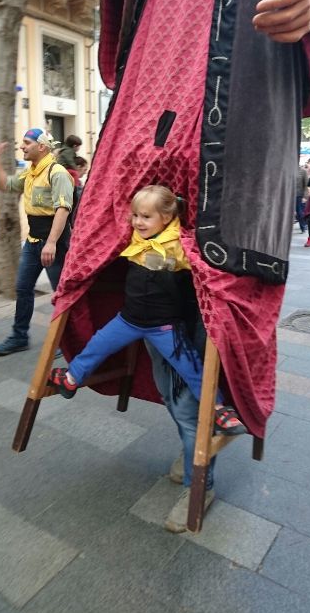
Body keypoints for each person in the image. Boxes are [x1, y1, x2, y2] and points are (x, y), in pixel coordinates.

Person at [50, 0, 310, 529]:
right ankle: (192, 429)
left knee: (212, 299)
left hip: (247, 32)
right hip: (158, 38)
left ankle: (204, 440)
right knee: (158, 312)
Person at [49, 185, 245, 438]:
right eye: (135, 215)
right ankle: (71, 379)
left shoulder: (179, 244)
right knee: (97, 345)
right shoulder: (132, 237)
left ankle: (218, 409)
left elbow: (205, 269)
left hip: (165, 327)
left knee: (192, 367)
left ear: (166, 217)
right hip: (128, 320)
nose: (138, 222)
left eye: (146, 216)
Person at [0, 128, 74, 356]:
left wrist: (52, 243)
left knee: (61, 294)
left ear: (42, 146)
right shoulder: (30, 172)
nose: (22, 147)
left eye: (26, 142)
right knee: (23, 288)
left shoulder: (57, 173)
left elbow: (63, 209)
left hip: (55, 244)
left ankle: (66, 340)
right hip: (33, 242)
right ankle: (19, 337)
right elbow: (5, 185)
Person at [295, 164, 308, 233]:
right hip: (289, 196)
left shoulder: (303, 171)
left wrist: (305, 196)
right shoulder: (288, 170)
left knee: (300, 213)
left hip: (299, 195)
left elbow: (306, 185)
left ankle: (303, 226)